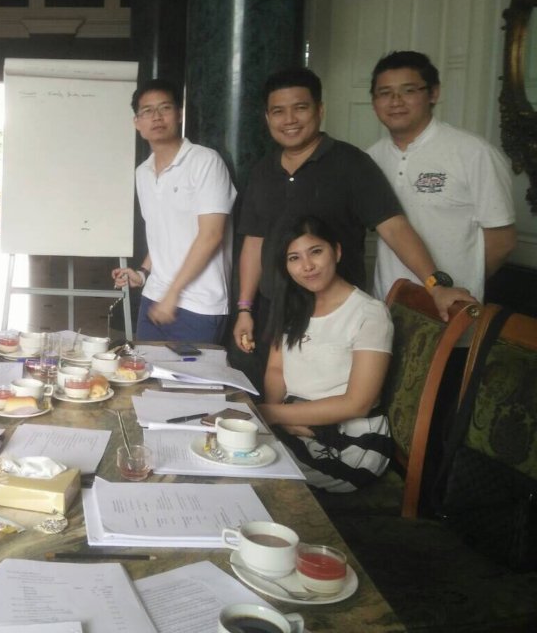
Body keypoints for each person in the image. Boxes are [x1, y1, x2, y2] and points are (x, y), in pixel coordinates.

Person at [231, 67, 475, 389]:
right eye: (278, 111)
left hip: (334, 317)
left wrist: (435, 284)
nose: (289, 119)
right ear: (267, 117)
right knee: (267, 394)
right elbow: (254, 243)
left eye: (300, 108)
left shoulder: (351, 164)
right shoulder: (263, 171)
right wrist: (245, 308)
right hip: (273, 313)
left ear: (320, 110)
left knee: (323, 400)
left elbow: (394, 227)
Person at [367, 50, 516, 302]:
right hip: (387, 303)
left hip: (453, 307)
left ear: (433, 93)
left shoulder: (473, 153)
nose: (395, 101)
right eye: (384, 93)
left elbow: (502, 241)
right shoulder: (370, 158)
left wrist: (467, 282)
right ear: (374, 101)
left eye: (408, 90)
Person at [259, 216, 394, 493]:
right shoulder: (293, 307)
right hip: (294, 425)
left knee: (249, 471)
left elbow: (358, 404)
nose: (307, 266)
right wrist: (277, 423)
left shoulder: (369, 313)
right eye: (294, 258)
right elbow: (276, 370)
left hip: (347, 443)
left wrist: (272, 415)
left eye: (316, 252)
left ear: (337, 251)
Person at [112, 78, 235, 342]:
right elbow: (162, 232)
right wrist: (142, 273)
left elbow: (212, 235)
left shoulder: (205, 161)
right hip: (154, 298)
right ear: (137, 123)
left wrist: (173, 293)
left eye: (165, 108)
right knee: (145, 369)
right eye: (147, 111)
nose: (156, 117)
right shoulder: (143, 172)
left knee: (192, 372)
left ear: (179, 114)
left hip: (199, 304)